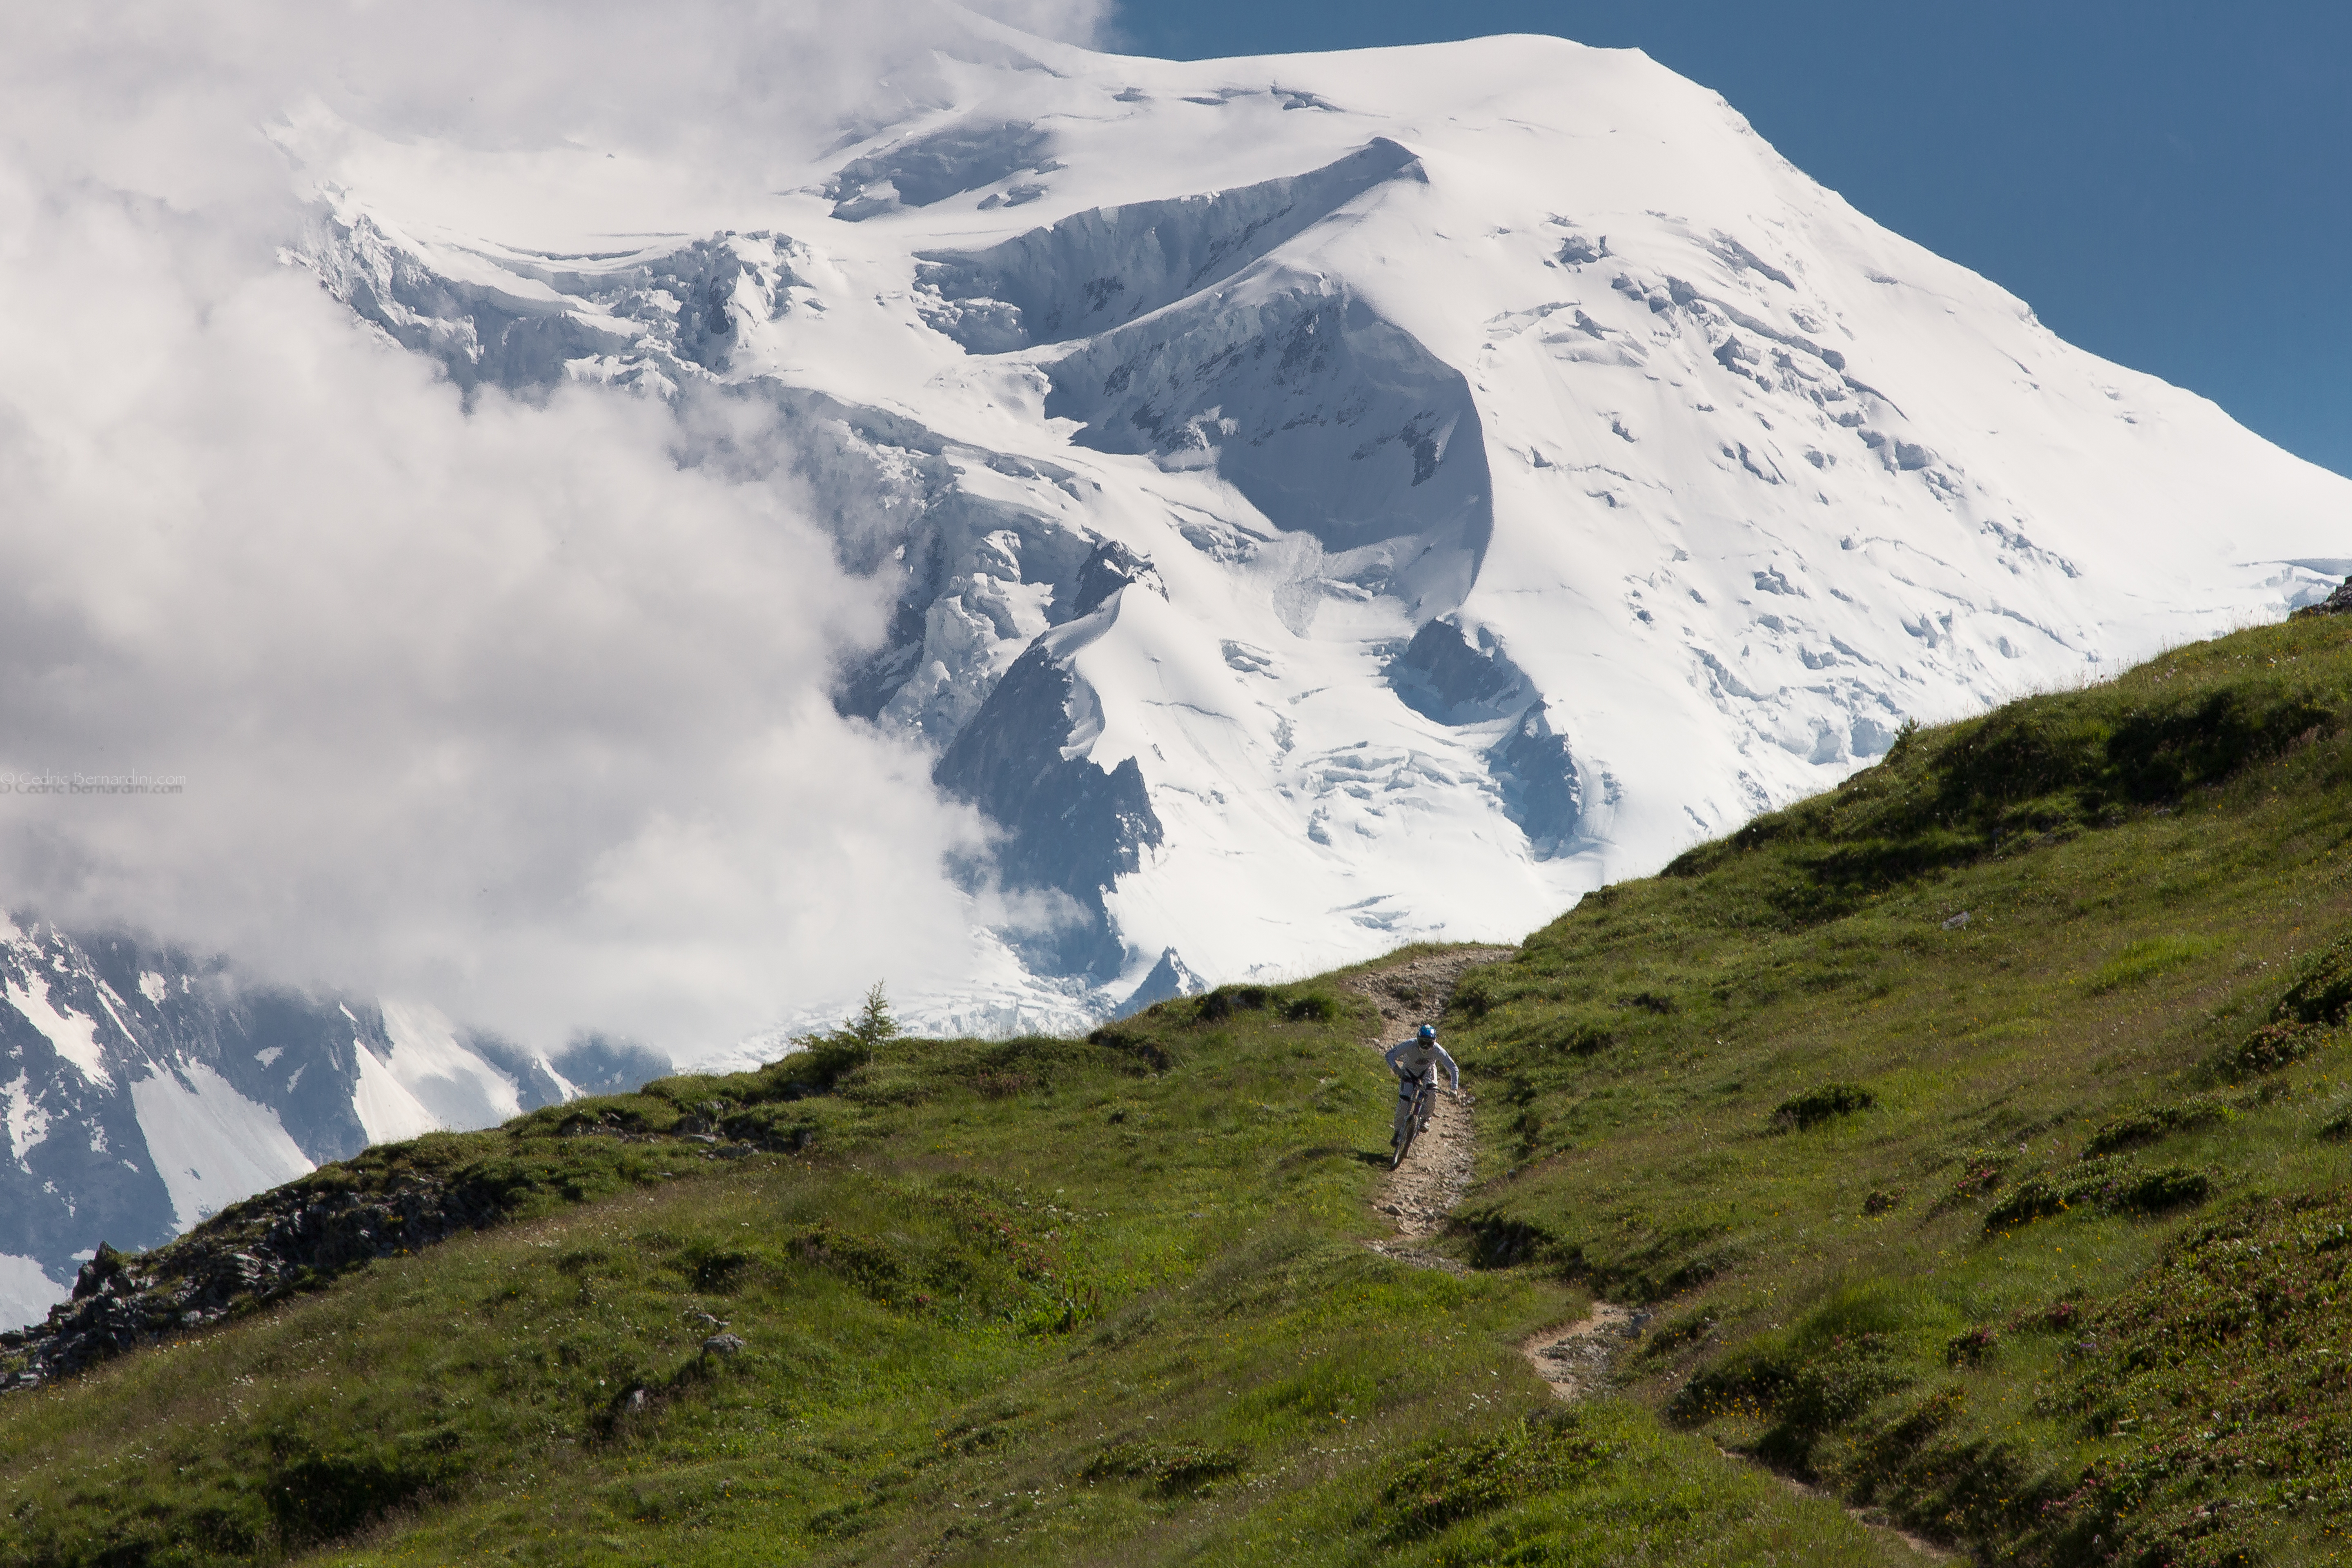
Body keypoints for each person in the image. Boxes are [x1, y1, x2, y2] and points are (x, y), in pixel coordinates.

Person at [1385, 1023, 1460, 1151]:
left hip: (1428, 1071)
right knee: (1404, 1102)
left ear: (1434, 1042)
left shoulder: (1438, 1050)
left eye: (1428, 1043)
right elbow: (1390, 1055)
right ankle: (1398, 1131)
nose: (1425, 1047)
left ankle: (1426, 1119)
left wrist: (1454, 1088)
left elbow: (1453, 1068)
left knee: (1432, 1093)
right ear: (1417, 1040)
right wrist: (1396, 1069)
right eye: (1422, 1043)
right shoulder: (1410, 1044)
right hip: (1410, 1071)